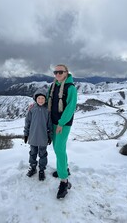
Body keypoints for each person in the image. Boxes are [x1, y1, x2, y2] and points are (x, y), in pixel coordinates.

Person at [48, 64, 77, 199]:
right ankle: (63, 169)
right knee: (58, 148)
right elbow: (48, 101)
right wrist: (34, 105)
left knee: (59, 149)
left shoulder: (70, 88)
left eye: (61, 72)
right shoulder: (54, 86)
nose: (58, 74)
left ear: (66, 72)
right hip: (53, 122)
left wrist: (61, 123)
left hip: (62, 124)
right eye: (56, 72)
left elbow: (70, 107)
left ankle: (64, 181)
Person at [24, 88, 53, 181]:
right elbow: (27, 122)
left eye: (42, 98)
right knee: (32, 153)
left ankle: (41, 170)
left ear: (45, 99)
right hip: (33, 136)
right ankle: (33, 167)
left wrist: (50, 136)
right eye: (39, 98)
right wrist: (26, 134)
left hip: (43, 137)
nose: (40, 100)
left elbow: (50, 124)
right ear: (35, 99)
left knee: (43, 154)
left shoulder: (47, 110)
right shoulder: (32, 109)